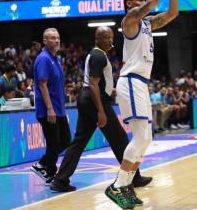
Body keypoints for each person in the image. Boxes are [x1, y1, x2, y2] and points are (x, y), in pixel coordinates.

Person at [105, 0, 178, 209]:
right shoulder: (130, 20)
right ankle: (118, 185)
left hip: (141, 84)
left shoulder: (147, 23)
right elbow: (155, 1)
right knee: (139, 138)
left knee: (145, 140)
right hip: (131, 81)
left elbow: (172, 13)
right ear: (129, 4)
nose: (143, 0)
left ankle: (125, 185)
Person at [50, 27, 152, 193]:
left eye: (111, 37)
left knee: (79, 141)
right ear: (98, 39)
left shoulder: (96, 54)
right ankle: (134, 177)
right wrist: (101, 111)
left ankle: (60, 180)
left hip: (87, 99)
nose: (111, 41)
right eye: (107, 37)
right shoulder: (98, 55)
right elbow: (93, 84)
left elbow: (97, 84)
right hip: (94, 101)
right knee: (119, 138)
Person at [30, 28, 71, 185]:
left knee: (65, 140)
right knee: (54, 143)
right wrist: (49, 108)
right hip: (48, 110)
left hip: (58, 109)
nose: (56, 40)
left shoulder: (55, 58)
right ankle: (43, 165)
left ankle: (47, 168)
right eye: (52, 38)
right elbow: (42, 84)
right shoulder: (44, 59)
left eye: (58, 37)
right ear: (45, 41)